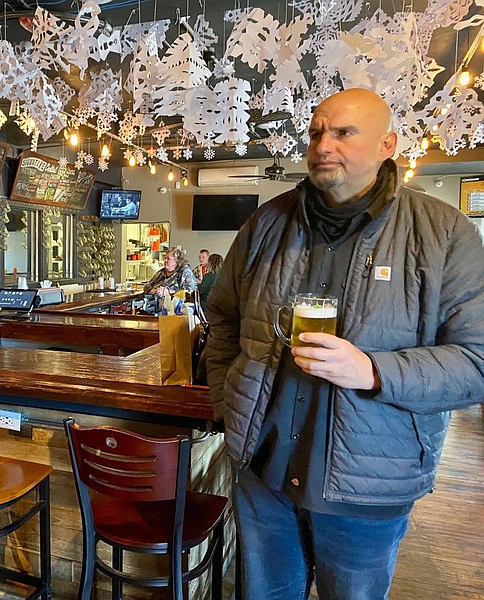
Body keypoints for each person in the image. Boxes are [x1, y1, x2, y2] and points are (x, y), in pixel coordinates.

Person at [205, 88, 484, 600]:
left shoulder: (444, 232)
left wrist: (373, 371)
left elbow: (476, 363)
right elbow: (221, 318)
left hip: (367, 488)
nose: (322, 145)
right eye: (316, 133)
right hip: (262, 474)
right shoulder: (266, 223)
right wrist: (228, 404)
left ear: (387, 145)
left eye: (343, 132)